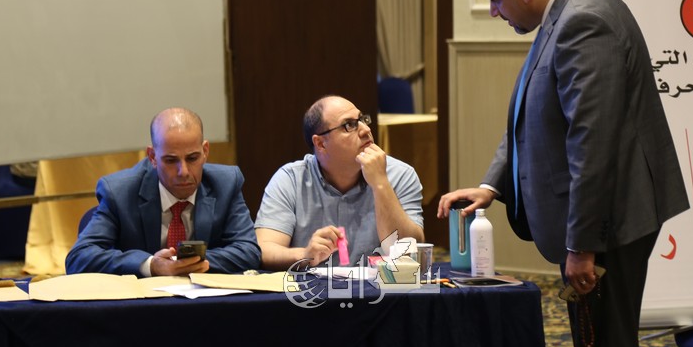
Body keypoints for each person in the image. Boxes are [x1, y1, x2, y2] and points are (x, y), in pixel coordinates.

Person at [437, 0, 689, 347]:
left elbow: (591, 144)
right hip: (602, 219)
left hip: (610, 224)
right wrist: (492, 186)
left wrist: (582, 246)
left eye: (497, 0)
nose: (494, 11)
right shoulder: (566, 10)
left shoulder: (583, 20)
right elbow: (534, 115)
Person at [66, 107, 260, 277]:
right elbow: (79, 258)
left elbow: (249, 251)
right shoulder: (119, 191)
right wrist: (151, 265)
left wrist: (184, 263)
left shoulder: (226, 183)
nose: (183, 172)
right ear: (152, 157)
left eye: (192, 158)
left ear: (205, 151)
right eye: (171, 160)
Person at [256, 95, 424, 269]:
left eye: (362, 120)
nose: (366, 130)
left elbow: (411, 252)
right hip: (311, 286)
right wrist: (305, 255)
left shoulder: (400, 175)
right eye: (349, 125)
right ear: (320, 144)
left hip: (377, 286)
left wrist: (380, 184)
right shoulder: (291, 180)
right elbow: (265, 250)